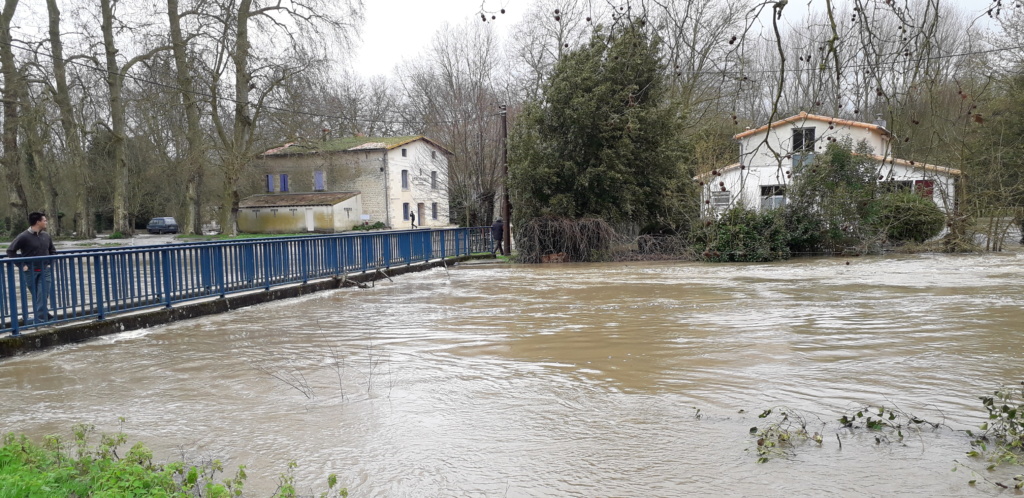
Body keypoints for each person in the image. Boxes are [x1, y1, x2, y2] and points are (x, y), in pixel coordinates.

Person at [6, 212, 57, 330]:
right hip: (30, 271)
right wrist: (21, 265)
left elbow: (53, 251)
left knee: (42, 294)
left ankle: (39, 322)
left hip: (45, 270)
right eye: (44, 220)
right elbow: (10, 251)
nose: (46, 222)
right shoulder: (23, 236)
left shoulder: (46, 236)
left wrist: (50, 264)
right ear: (37, 222)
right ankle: (46, 317)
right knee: (38, 296)